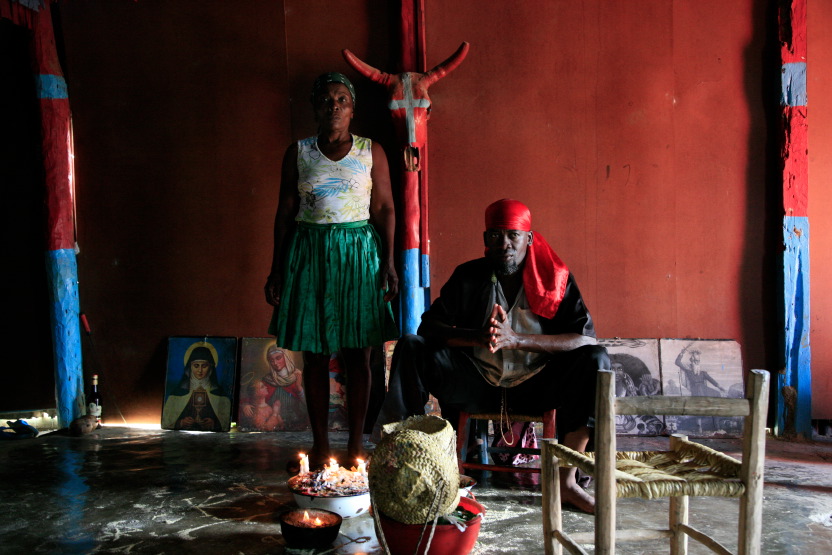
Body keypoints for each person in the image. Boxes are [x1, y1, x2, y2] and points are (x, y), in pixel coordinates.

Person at [375, 198, 609, 514]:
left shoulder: (555, 279)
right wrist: (477, 337)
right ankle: (406, 460)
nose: (504, 244)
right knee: (411, 345)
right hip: (477, 383)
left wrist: (517, 340)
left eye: (513, 235)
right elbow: (429, 326)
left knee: (595, 359)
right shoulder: (469, 275)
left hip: (535, 387)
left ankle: (566, 483)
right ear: (486, 240)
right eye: (495, 235)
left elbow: (583, 338)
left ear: (529, 237)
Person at [264, 72, 399, 472]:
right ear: (315, 108)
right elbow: (285, 212)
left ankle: (356, 444)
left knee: (360, 355)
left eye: (342, 99)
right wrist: (277, 269)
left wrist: (389, 262)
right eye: (326, 100)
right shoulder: (299, 152)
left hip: (358, 254)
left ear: (353, 108)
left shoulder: (370, 150)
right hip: (310, 254)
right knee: (316, 355)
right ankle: (321, 446)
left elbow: (385, 209)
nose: (334, 106)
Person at [162, 344, 232, 432]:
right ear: (190, 367)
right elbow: (168, 422)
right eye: (196, 366)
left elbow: (225, 423)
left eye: (204, 366)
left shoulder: (220, 394)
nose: (200, 370)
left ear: (210, 368)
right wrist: (180, 423)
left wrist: (214, 424)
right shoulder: (177, 393)